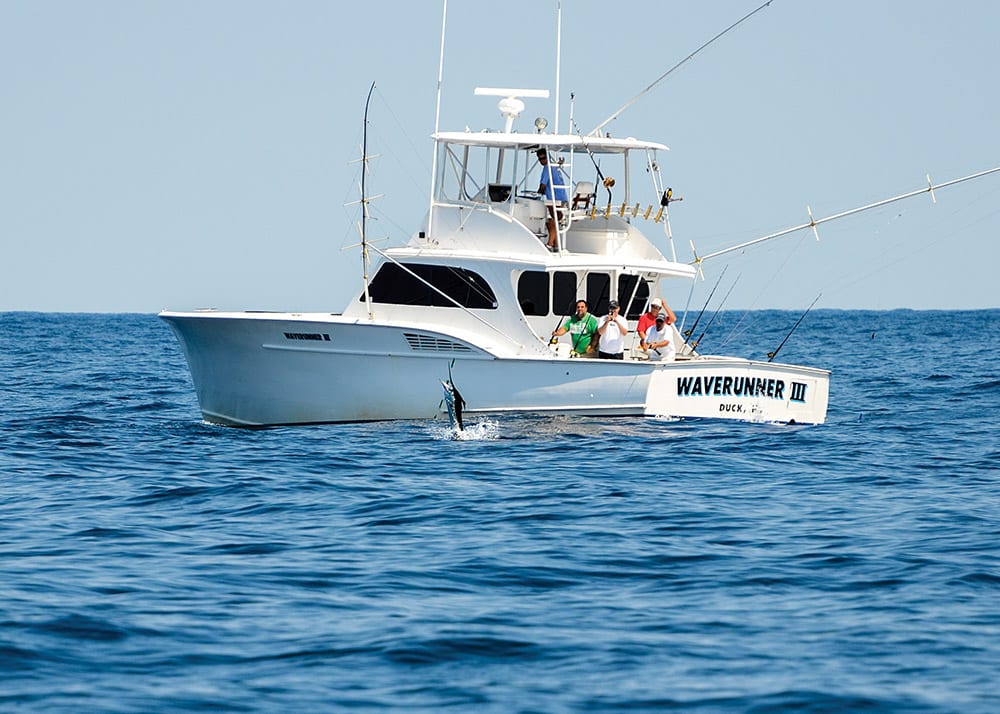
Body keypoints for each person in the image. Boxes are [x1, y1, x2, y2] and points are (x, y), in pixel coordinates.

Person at [536, 149, 568, 251]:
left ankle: (549, 245)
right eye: (540, 159)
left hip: (555, 199)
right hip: (563, 198)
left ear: (547, 157)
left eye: (543, 158)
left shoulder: (547, 168)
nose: (542, 161)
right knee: (550, 222)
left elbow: (543, 185)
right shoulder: (554, 167)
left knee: (554, 221)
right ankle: (556, 245)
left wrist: (538, 193)